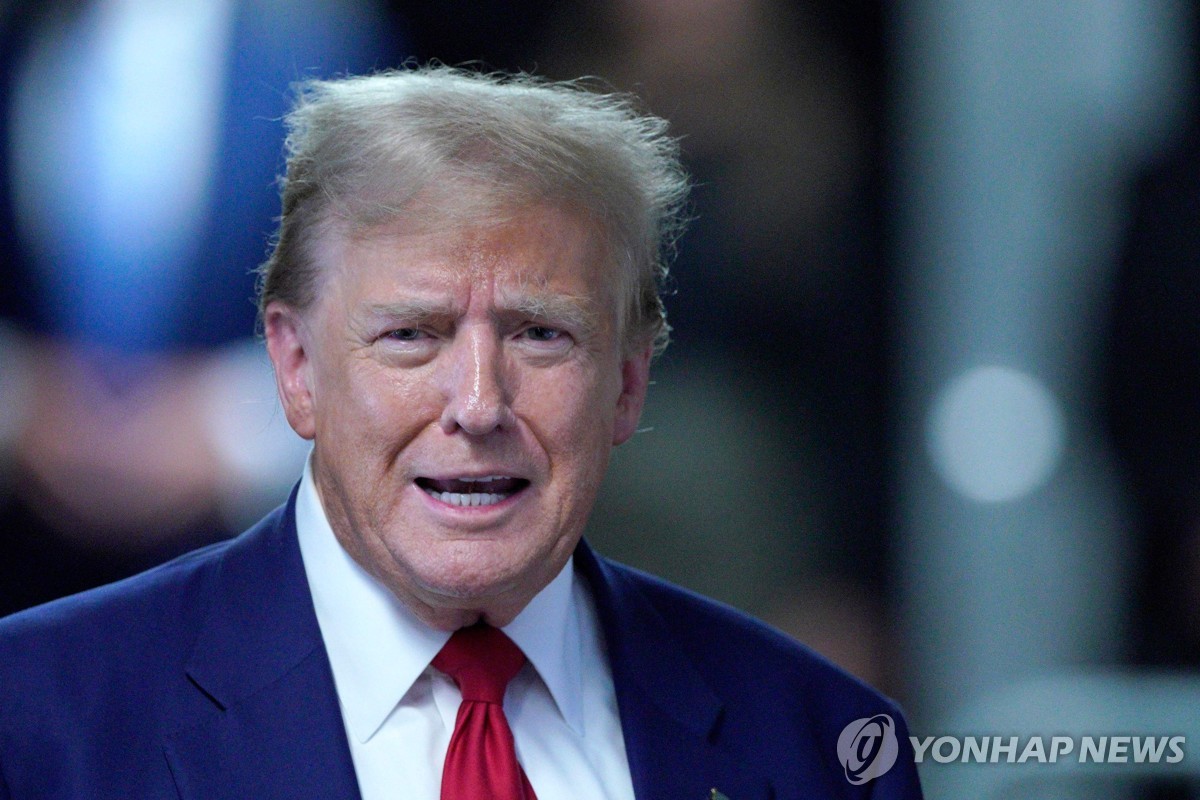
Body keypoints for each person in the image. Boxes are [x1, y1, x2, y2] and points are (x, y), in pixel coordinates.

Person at [0, 66, 923, 799]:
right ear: (296, 368)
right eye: (412, 336)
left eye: (541, 335)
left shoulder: (825, 745)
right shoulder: (34, 716)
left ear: (630, 382)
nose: (478, 403)